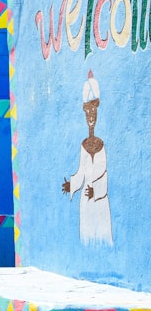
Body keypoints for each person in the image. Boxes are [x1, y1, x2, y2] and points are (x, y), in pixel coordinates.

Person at [62, 71, 113, 246]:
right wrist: (71, 185)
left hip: (100, 200)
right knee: (88, 234)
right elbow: (82, 172)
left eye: (93, 112)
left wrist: (97, 191)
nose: (91, 116)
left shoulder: (101, 145)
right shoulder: (83, 145)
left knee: (102, 234)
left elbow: (104, 174)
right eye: (88, 112)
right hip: (85, 199)